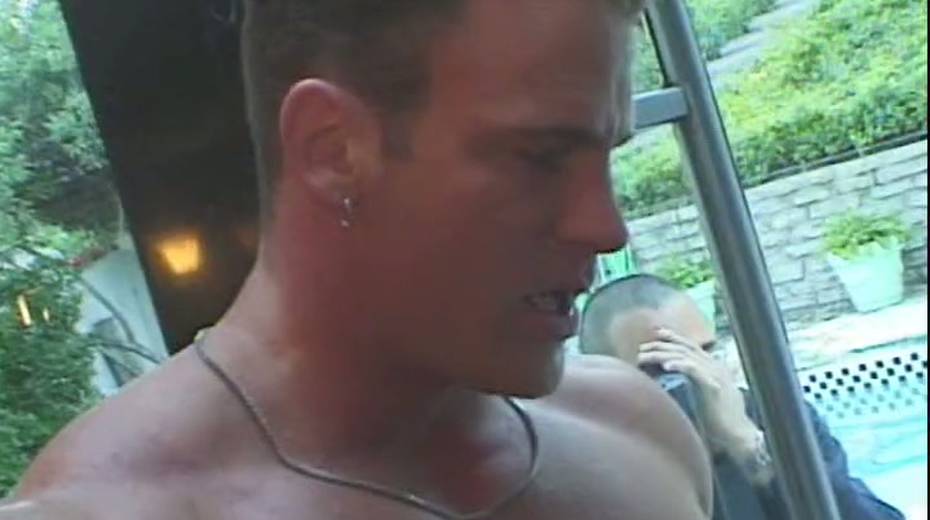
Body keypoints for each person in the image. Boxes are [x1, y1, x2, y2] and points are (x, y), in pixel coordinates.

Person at [0, 1, 715, 519]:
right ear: (332, 150)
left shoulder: (638, 432)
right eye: (540, 158)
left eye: (606, 156)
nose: (606, 227)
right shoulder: (108, 508)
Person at [579, 274, 906, 520]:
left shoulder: (777, 419)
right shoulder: (596, 467)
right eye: (662, 368)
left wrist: (747, 444)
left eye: (703, 353)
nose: (695, 374)